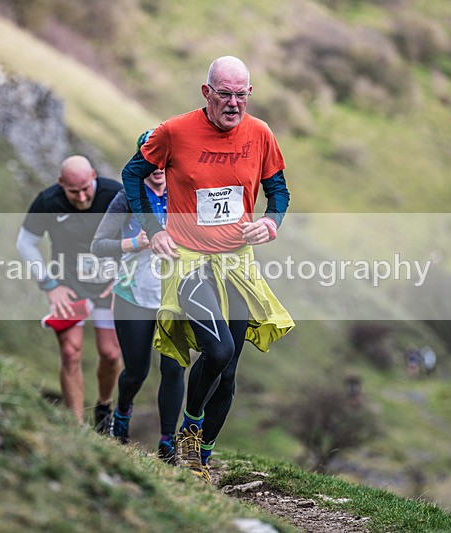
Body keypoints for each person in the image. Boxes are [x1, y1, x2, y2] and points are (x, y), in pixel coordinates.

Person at [121, 56, 294, 482]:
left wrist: (271, 221)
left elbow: (279, 192)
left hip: (236, 261)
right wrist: (153, 229)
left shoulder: (261, 134)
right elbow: (131, 174)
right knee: (218, 351)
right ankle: (189, 430)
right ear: (207, 92)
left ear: (249, 94)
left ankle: (201, 453)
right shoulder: (174, 132)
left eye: (241, 95)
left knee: (229, 372)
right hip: (190, 260)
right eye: (225, 94)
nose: (233, 104)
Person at [90, 130, 185, 463]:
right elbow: (98, 245)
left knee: (174, 369)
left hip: (174, 296)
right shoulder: (128, 197)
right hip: (133, 295)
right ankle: (122, 413)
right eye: (151, 159)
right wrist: (135, 243)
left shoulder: (183, 192)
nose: (158, 166)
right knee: (137, 371)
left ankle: (168, 443)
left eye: (164, 158)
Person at [16, 155, 123, 431]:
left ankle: (103, 409)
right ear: (61, 183)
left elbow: (145, 234)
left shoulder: (116, 194)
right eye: (73, 191)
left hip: (109, 285)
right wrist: (50, 285)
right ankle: (76, 426)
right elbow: (26, 243)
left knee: (111, 354)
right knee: (70, 351)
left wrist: (126, 278)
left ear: (94, 176)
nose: (82, 196)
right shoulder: (48, 201)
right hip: (69, 285)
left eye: (86, 188)